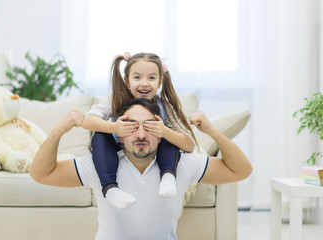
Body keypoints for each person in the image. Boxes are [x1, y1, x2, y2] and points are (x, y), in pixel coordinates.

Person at [29, 98, 253, 240]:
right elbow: (40, 174)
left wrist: (212, 131)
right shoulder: (100, 165)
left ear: (161, 132)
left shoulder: (182, 163)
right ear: (118, 133)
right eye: (132, 127)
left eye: (149, 127)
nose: (141, 135)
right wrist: (60, 129)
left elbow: (240, 171)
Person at [81, 52, 198, 210]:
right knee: (100, 135)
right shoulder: (115, 99)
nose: (144, 84)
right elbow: (87, 120)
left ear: (160, 81)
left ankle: (168, 176)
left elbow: (189, 145)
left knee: (169, 134)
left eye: (151, 78)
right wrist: (113, 127)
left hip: (151, 148)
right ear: (127, 81)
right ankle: (110, 190)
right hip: (118, 146)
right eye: (137, 78)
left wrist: (164, 131)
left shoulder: (165, 105)